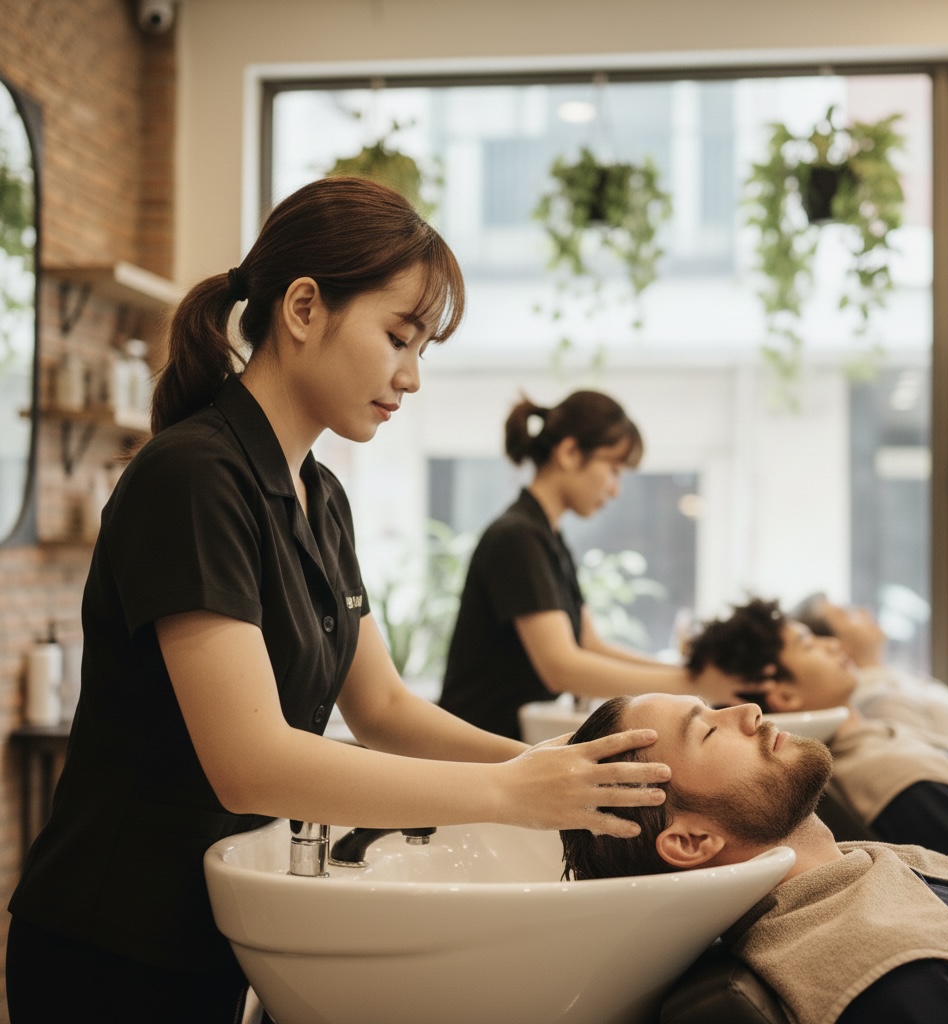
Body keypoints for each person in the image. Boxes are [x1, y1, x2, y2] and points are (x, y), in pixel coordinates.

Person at [5, 177, 673, 1024]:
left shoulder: (319, 496)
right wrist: (513, 795)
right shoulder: (193, 478)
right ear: (304, 308)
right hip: (114, 949)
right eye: (400, 336)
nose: (413, 376)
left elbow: (385, 706)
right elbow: (250, 761)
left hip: (220, 930)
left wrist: (546, 770)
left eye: (424, 347)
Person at [561, 693, 948, 1024]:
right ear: (692, 841)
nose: (749, 711)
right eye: (707, 730)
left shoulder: (859, 869)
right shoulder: (887, 973)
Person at [439, 390, 745, 740]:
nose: (616, 490)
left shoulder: (547, 537)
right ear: (569, 452)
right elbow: (562, 667)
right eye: (613, 469)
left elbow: (589, 644)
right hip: (472, 745)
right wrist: (695, 684)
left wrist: (689, 673)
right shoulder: (517, 537)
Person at [684, 597, 948, 885]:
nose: (833, 644)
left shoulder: (878, 737)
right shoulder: (884, 773)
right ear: (784, 695)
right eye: (808, 644)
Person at [791, 592, 948, 791]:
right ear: (834, 641)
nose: (863, 611)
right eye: (848, 613)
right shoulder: (877, 700)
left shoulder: (894, 679)